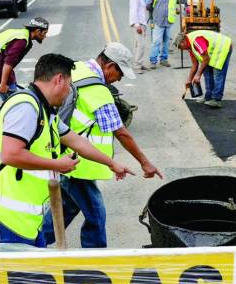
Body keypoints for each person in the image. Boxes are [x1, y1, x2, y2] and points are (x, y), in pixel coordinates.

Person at [0, 53, 134, 246]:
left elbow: (77, 142)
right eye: (69, 86)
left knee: (40, 263)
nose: (69, 93)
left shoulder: (46, 112)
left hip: (27, 218)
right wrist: (56, 164)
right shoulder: (26, 107)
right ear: (59, 80)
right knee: (25, 267)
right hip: (8, 215)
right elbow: (11, 154)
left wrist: (112, 163)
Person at [42, 43, 162, 248]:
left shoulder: (76, 68)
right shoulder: (99, 92)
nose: (119, 79)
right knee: (96, 216)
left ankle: (34, 244)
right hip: (80, 165)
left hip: (64, 155)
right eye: (120, 73)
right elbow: (121, 132)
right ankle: (95, 258)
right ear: (110, 66)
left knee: (66, 208)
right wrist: (145, 163)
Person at [0, 17, 49, 101]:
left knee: (13, 101)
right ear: (38, 31)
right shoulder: (21, 41)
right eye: (44, 33)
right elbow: (8, 63)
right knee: (14, 102)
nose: (45, 36)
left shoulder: (23, 35)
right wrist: (3, 84)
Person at [175, 30, 232, 108]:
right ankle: (208, 96)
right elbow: (195, 65)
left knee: (218, 74)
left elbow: (206, 58)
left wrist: (198, 75)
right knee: (207, 72)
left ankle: (216, 99)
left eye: (180, 46)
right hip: (212, 52)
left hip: (223, 47)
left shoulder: (196, 41)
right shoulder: (189, 46)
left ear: (183, 41)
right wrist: (189, 80)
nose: (181, 49)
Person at [148, 0, 178, 68]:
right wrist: (153, 16)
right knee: (156, 42)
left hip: (168, 23)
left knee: (166, 42)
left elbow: (183, 0)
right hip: (158, 22)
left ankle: (163, 59)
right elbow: (148, 5)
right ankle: (153, 61)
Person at [128, 0, 149, 73]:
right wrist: (137, 25)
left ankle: (139, 63)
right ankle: (137, 66)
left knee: (139, 45)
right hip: (139, 24)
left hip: (142, 24)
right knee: (141, 45)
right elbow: (133, 11)